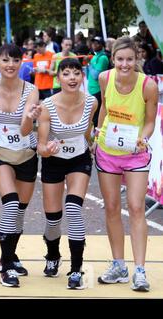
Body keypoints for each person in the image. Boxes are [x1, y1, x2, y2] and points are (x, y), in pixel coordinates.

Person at [95, 36, 158, 292]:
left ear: (137, 59)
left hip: (135, 153)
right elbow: (105, 109)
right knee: (111, 208)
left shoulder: (148, 85)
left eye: (129, 59)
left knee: (135, 207)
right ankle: (119, 265)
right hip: (108, 150)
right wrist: (97, 133)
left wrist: (144, 137)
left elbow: (151, 121)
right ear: (113, 59)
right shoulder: (105, 78)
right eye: (120, 59)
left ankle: (140, 271)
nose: (124, 64)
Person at [0, 43, 40, 287]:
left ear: (21, 62)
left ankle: (12, 254)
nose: (10, 65)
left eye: (15, 61)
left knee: (21, 210)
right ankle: (5, 265)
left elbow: (27, 130)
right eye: (5, 60)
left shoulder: (31, 90)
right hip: (1, 153)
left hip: (26, 153)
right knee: (11, 203)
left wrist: (29, 119)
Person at [37, 58, 97, 289]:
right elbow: (41, 146)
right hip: (53, 160)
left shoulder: (91, 102)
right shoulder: (47, 105)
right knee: (53, 220)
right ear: (58, 77)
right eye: (66, 74)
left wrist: (94, 143)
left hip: (79, 160)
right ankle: (52, 255)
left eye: (76, 73)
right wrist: (47, 149)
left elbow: (88, 131)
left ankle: (75, 269)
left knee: (73, 208)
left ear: (82, 77)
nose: (72, 78)